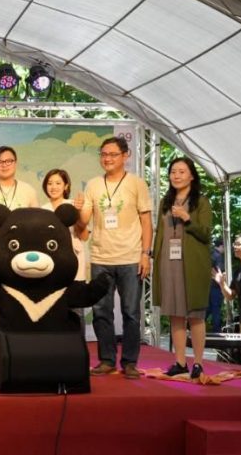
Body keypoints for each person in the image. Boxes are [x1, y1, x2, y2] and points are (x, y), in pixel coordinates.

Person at [78, 136, 152, 379]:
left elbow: (146, 221)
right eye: (103, 154)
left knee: (131, 312)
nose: (107, 158)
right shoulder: (93, 185)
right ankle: (107, 360)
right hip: (101, 257)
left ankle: (130, 362)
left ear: (125, 155)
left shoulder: (136, 183)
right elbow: (84, 222)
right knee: (101, 312)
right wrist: (78, 210)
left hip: (131, 257)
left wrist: (146, 254)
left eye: (112, 154)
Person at [152, 157, 212, 379]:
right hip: (169, 262)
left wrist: (187, 218)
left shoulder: (201, 202)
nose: (176, 175)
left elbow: (206, 234)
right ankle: (180, 362)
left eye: (181, 171)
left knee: (195, 315)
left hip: (192, 264)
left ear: (192, 176)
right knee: (175, 314)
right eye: (173, 171)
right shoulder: (165, 202)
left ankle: (198, 363)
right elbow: (160, 233)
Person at [41, 168, 89, 281]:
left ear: (66, 186)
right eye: (50, 183)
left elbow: (85, 236)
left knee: (75, 289)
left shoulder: (74, 205)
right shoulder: (42, 209)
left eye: (58, 183)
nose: (53, 187)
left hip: (73, 257)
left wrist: (77, 213)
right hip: (51, 259)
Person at [213, 233, 241, 365]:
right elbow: (230, 295)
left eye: (238, 244)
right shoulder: (238, 271)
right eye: (234, 244)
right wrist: (222, 283)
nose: (235, 247)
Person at [207, 239, 225, 333]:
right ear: (221, 246)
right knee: (216, 308)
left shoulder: (211, 254)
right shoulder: (218, 256)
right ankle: (217, 331)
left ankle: (192, 324)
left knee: (209, 308)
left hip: (208, 286)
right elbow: (219, 271)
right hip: (216, 286)